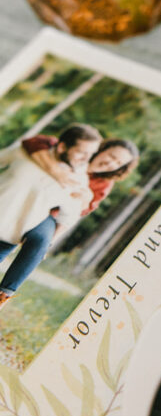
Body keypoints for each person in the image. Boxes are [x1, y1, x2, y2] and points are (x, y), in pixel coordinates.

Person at [0, 123, 101, 307]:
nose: (86, 159)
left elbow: (68, 217)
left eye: (91, 154)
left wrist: (46, 244)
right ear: (62, 147)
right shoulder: (26, 153)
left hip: (6, 238)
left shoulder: (77, 180)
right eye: (81, 152)